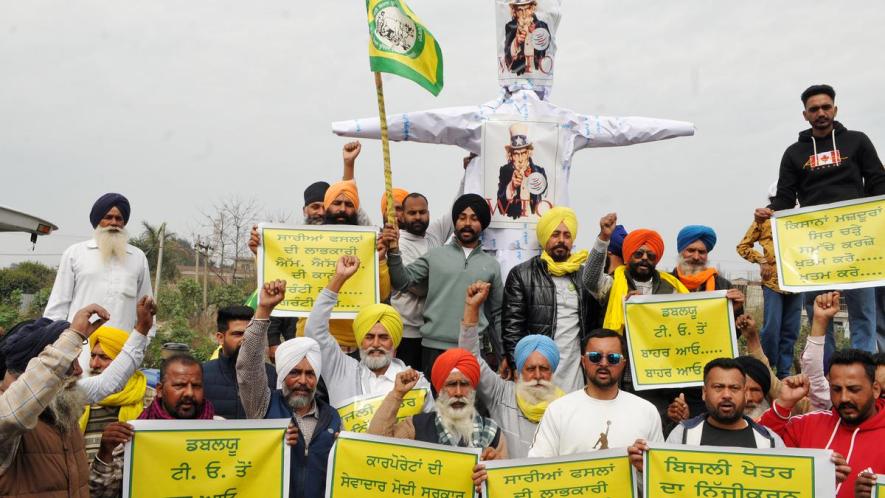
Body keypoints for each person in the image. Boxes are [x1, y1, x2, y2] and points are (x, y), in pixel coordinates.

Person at [756, 84, 885, 357]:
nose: (821, 113)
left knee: (863, 314)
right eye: (814, 109)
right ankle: (825, 379)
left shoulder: (858, 141)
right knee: (819, 315)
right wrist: (769, 211)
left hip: (857, 244)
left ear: (835, 109)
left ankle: (862, 374)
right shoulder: (794, 153)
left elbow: (878, 183)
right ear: (805, 115)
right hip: (815, 247)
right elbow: (785, 198)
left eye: (826, 107)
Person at [237, 280, 341, 498]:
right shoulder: (263, 406)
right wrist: (264, 310)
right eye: (294, 373)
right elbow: (248, 368)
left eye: (310, 374)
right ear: (282, 374)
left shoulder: (332, 418)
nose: (303, 381)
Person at [384, 193, 505, 379]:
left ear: (483, 223)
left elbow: (497, 314)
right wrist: (393, 251)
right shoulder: (435, 255)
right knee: (434, 405)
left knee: (467, 405)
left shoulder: (491, 265)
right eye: (462, 217)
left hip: (472, 350)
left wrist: (503, 355)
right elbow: (403, 281)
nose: (467, 223)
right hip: (433, 350)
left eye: (474, 218)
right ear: (454, 221)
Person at [0, 304, 109, 496]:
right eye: (68, 362)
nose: (79, 370)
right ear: (32, 370)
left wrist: (105, 455)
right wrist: (72, 336)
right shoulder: (10, 419)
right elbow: (11, 416)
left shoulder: (63, 414)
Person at [305, 255, 434, 410]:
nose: (375, 344)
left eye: (384, 337)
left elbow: (427, 425)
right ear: (360, 341)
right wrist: (339, 278)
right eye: (369, 337)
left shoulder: (415, 381)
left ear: (395, 342)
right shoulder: (342, 370)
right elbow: (314, 329)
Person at [45, 193, 154, 368]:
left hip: (121, 355)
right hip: (78, 354)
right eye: (108, 217)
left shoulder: (138, 257)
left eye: (119, 218)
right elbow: (56, 309)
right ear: (98, 221)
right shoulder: (75, 253)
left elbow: (147, 309)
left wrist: (139, 347)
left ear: (124, 222)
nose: (114, 223)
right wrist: (60, 350)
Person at [88, 354, 219, 497]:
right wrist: (105, 452)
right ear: (160, 390)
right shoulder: (134, 436)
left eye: (196, 386)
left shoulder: (222, 431)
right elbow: (100, 493)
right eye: (179, 385)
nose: (189, 393)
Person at [760, 349, 884, 498]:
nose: (844, 398)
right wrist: (783, 404)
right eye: (836, 389)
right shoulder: (806, 425)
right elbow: (759, 452)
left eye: (854, 389)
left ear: (875, 389)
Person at [460, 281, 563, 457]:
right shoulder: (502, 394)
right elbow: (470, 359)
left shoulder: (564, 406)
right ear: (520, 370)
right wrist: (472, 308)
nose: (537, 375)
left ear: (552, 371)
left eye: (543, 368)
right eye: (530, 369)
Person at [630, 358, 785, 474]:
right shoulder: (682, 436)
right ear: (704, 393)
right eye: (718, 387)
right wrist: (647, 471)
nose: (726, 395)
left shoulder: (770, 442)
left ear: (745, 394)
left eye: (734, 388)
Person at [528, 328, 663, 457]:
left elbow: (659, 471)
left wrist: (642, 467)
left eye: (613, 358)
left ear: (623, 363)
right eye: (595, 357)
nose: (604, 363)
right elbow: (538, 467)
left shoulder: (646, 411)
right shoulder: (558, 410)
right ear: (583, 361)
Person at [502, 206, 593, 392]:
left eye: (567, 235)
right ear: (545, 237)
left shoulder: (585, 277)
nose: (561, 240)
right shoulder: (522, 274)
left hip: (575, 372)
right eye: (555, 234)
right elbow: (512, 328)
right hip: (537, 372)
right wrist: (516, 366)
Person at [368, 350, 507, 459]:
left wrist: (492, 466)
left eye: (464, 384)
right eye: (451, 385)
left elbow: (500, 484)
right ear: (440, 390)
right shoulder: (417, 426)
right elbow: (375, 446)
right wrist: (397, 394)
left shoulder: (491, 431)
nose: (458, 392)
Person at [737, 184, 803, 378]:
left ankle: (783, 374)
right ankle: (766, 371)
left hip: (797, 282)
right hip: (772, 282)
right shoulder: (764, 220)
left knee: (791, 331)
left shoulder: (802, 220)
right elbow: (743, 246)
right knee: (771, 329)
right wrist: (762, 260)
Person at [391, 192, 457, 372]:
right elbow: (417, 288)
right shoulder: (399, 244)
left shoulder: (434, 236)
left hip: (434, 333)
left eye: (423, 212)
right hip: (407, 333)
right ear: (402, 215)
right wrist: (450, 281)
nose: (418, 217)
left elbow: (456, 208)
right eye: (412, 213)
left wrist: (469, 170)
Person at [80, 310, 157, 461]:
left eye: (103, 357)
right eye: (92, 356)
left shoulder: (150, 399)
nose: (94, 364)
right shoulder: (80, 400)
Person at [202, 305, 277, 419]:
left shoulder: (273, 376)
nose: (246, 340)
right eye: (238, 334)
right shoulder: (201, 376)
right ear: (220, 338)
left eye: (251, 334)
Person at [671, 225, 745, 314]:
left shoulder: (723, 286)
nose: (696, 257)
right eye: (691, 250)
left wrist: (736, 308)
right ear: (681, 252)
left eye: (701, 252)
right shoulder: (665, 283)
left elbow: (734, 325)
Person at [496, 123, 548, 219]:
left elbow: (547, 198)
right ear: (511, 156)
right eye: (516, 154)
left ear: (528, 153)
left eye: (523, 153)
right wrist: (511, 186)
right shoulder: (505, 171)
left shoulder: (539, 171)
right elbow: (500, 206)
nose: (520, 159)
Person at [503, 0, 550, 76]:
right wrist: (516, 42)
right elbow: (506, 53)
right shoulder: (510, 27)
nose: (524, 14)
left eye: (527, 8)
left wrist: (536, 33)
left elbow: (547, 44)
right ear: (515, 11)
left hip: (538, 74)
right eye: (520, 10)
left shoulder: (542, 25)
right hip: (519, 75)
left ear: (532, 8)